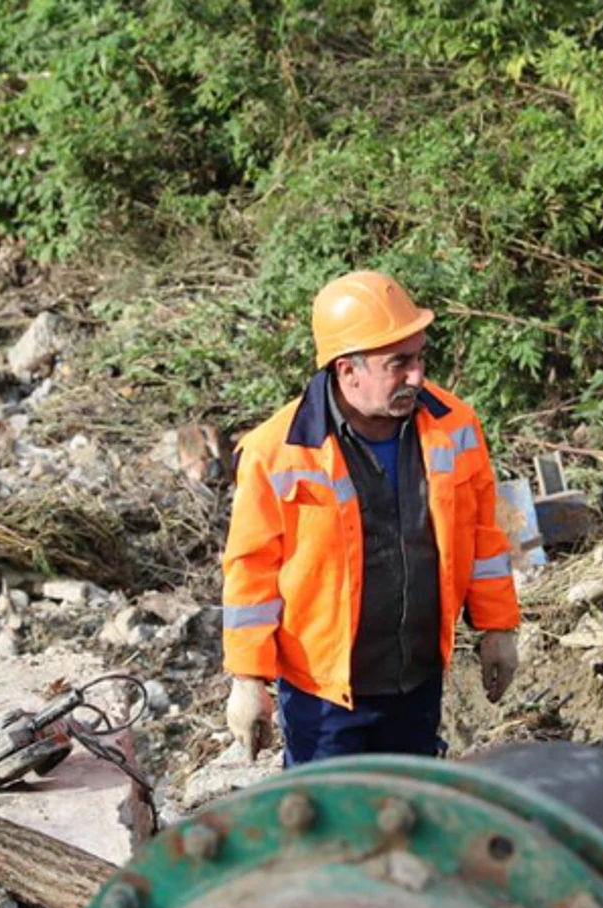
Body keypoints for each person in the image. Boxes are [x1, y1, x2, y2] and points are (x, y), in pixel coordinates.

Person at [219, 268, 522, 766]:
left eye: (420, 357)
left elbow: (484, 538)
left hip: (418, 683)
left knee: (405, 823)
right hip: (323, 697)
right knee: (330, 834)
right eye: (398, 363)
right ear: (348, 371)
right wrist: (248, 680)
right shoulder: (277, 451)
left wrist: (499, 629)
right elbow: (251, 572)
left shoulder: (455, 427)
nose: (417, 376)